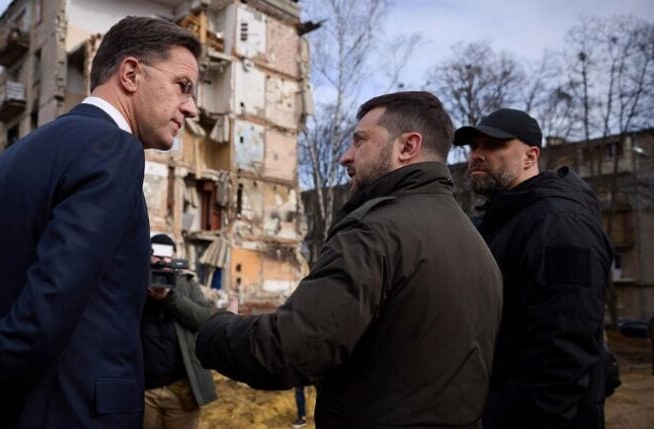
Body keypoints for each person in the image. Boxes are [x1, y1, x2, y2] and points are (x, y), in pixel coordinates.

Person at [0, 16, 201, 429]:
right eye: (183, 86)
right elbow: (44, 313)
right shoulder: (113, 148)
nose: (191, 107)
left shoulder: (10, 160)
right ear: (131, 74)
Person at [195, 91, 503, 427]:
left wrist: (215, 328)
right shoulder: (477, 245)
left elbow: (290, 349)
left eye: (360, 141)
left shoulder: (375, 230)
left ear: (406, 147)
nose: (346, 156)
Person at [454, 108, 612, 428]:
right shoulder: (507, 218)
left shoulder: (558, 223)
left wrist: (512, 413)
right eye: (474, 147)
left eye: (493, 145)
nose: (477, 156)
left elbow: (565, 345)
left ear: (530, 156)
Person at [142, 233, 216, 429]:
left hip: (180, 388)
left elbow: (205, 320)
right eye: (156, 254)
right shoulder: (136, 281)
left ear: (174, 257)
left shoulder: (187, 283)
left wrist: (170, 297)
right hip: (144, 390)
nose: (161, 260)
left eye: (167, 255)